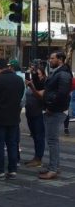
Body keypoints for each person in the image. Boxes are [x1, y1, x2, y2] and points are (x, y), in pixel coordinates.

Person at [30, 52, 73, 180]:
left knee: (52, 141)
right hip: (54, 109)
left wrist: (50, 107)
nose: (50, 60)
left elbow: (62, 94)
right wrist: (34, 75)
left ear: (60, 59)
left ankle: (53, 169)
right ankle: (55, 166)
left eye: (53, 58)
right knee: (52, 140)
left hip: (56, 111)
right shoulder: (58, 72)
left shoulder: (63, 73)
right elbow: (46, 88)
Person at [0, 58, 25, 180]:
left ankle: (0, 171)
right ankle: (12, 170)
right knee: (12, 144)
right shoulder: (18, 80)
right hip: (14, 117)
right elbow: (21, 96)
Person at [23, 65, 46, 168]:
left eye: (38, 74)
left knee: (39, 137)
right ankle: (36, 158)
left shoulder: (43, 85)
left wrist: (32, 86)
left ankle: (38, 159)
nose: (36, 76)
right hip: (29, 113)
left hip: (38, 114)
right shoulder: (32, 83)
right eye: (34, 74)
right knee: (34, 136)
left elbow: (39, 96)